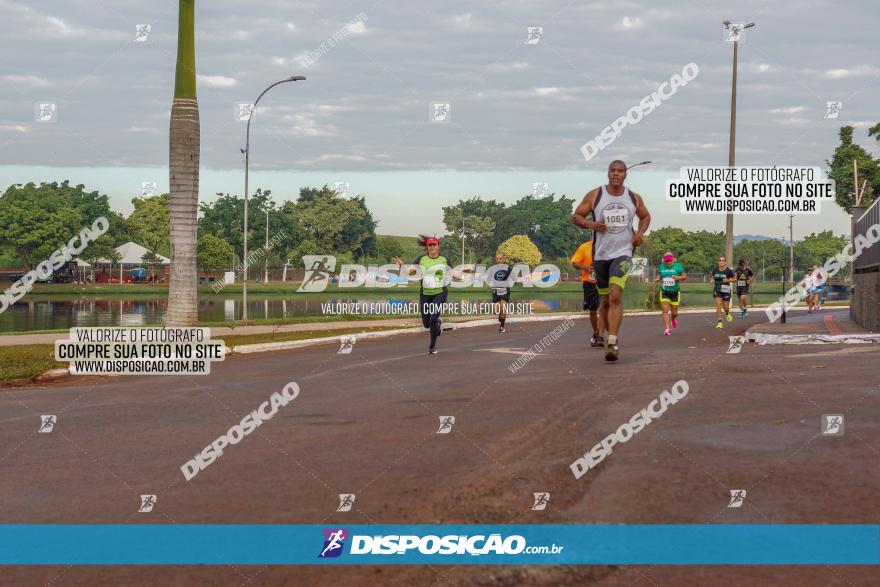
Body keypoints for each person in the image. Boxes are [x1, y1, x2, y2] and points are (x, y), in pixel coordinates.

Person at [572, 160, 651, 361]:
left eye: (619, 171)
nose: (615, 174)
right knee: (605, 300)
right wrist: (591, 224)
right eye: (612, 170)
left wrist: (640, 233)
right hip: (600, 255)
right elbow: (577, 216)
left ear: (625, 175)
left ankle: (613, 341)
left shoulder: (633, 197)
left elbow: (645, 216)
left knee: (616, 295)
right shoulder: (595, 195)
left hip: (623, 253)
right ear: (608, 173)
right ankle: (607, 335)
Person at [393, 236, 455, 355]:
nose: (432, 247)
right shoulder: (421, 259)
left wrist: (464, 274)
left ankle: (432, 346)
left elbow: (452, 272)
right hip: (425, 293)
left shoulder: (443, 259)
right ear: (427, 247)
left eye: (434, 245)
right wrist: (401, 265)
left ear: (438, 246)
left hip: (440, 292)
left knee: (432, 319)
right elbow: (409, 272)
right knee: (427, 323)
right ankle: (438, 323)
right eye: (430, 245)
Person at [570, 237, 604, 347]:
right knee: (593, 309)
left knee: (605, 305)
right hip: (589, 281)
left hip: (604, 279)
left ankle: (602, 335)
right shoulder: (584, 247)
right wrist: (586, 268)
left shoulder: (607, 245)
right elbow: (575, 263)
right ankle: (596, 333)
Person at [655, 252, 686, 335]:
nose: (668, 262)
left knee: (674, 313)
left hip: (675, 292)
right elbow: (659, 275)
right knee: (665, 311)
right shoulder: (661, 266)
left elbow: (684, 276)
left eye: (670, 261)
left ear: (673, 259)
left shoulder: (678, 266)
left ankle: (673, 319)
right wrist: (658, 279)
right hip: (664, 291)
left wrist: (678, 277)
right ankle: (667, 329)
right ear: (664, 261)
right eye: (667, 261)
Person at [489, 252, 513, 333]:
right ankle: (501, 317)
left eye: (500, 258)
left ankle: (502, 326)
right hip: (495, 291)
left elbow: (513, 279)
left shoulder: (508, 268)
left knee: (503, 308)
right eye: (497, 259)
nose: (498, 260)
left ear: (503, 259)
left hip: (504, 291)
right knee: (496, 310)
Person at [712, 256, 735, 328]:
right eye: (720, 260)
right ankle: (720, 322)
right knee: (718, 305)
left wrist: (728, 280)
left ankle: (727, 313)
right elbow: (712, 277)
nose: (721, 261)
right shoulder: (715, 269)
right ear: (718, 262)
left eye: (723, 260)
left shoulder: (729, 271)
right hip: (717, 289)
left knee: (726, 307)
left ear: (725, 262)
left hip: (726, 290)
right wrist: (712, 280)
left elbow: (735, 279)